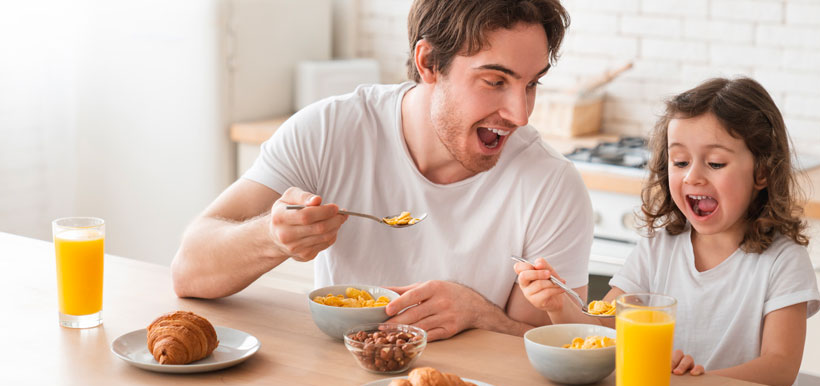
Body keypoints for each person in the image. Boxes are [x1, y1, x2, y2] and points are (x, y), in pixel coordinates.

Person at [171, 0, 594, 341]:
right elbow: (190, 270)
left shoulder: (551, 184)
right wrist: (271, 236)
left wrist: (481, 314)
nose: (520, 114)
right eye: (495, 81)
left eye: (532, 84)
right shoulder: (330, 130)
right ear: (429, 63)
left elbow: (555, 349)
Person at [515, 77, 820, 386]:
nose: (693, 176)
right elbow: (603, 332)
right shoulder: (657, 249)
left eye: (715, 163)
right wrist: (558, 305)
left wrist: (697, 383)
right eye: (680, 161)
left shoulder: (783, 261)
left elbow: (780, 366)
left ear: (762, 171)